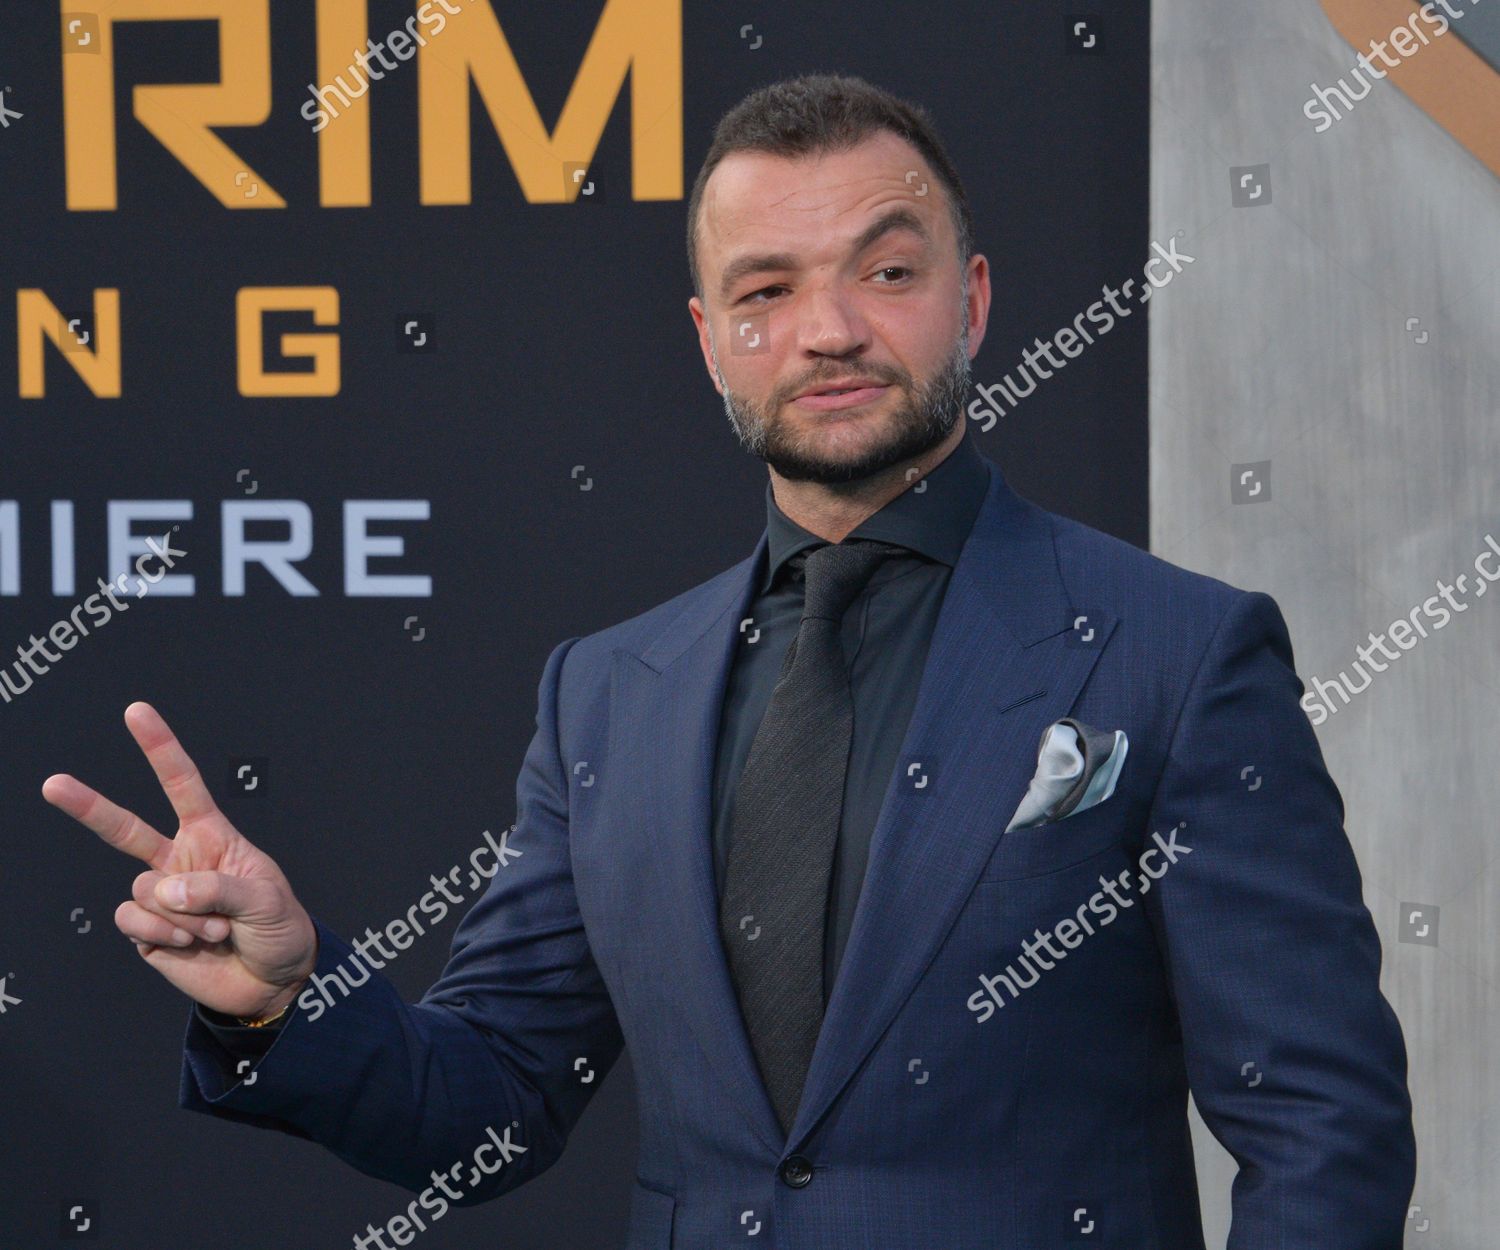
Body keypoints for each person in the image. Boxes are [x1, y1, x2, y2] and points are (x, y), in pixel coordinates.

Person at [43, 74, 1415, 1249]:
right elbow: (499, 1096)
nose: (829, 329)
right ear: (710, 342)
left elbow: (1321, 1126)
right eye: (767, 288)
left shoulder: (1176, 649)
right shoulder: (605, 690)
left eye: (888, 270)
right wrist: (292, 994)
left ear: (975, 297)